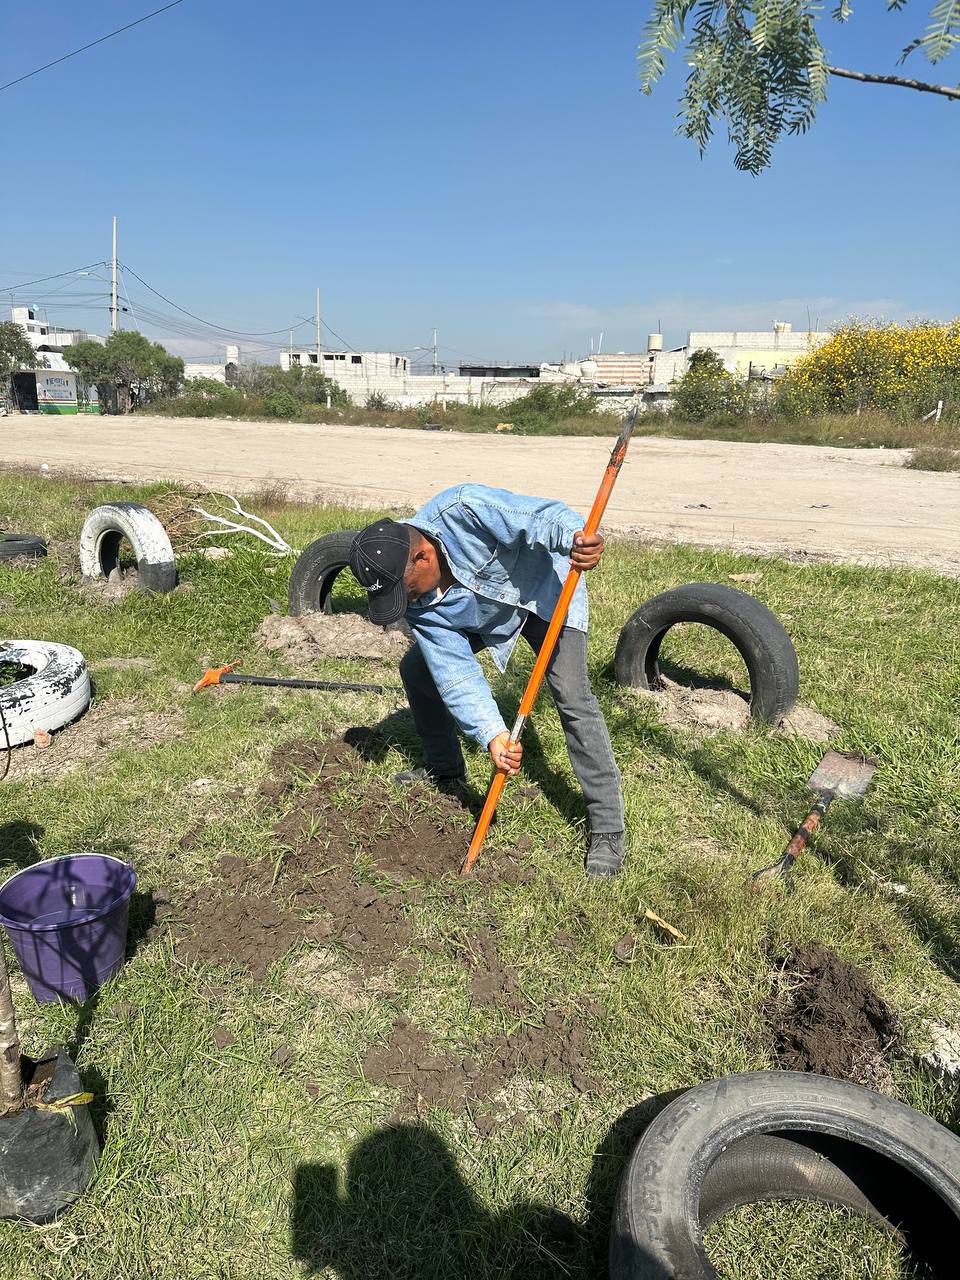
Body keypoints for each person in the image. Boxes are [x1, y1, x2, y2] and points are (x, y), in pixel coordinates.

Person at [348, 484, 626, 878]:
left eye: (405, 591)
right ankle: (445, 768)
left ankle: (608, 829)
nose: (406, 603)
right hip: (485, 615)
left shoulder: (464, 508)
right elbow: (455, 671)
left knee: (572, 696)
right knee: (417, 669)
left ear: (422, 557)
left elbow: (539, 515)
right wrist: (492, 734)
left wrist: (576, 540)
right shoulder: (415, 600)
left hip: (545, 594)